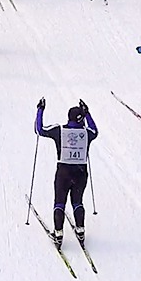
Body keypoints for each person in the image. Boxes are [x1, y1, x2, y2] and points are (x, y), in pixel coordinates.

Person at [34, 99, 98, 246]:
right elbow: (95, 130)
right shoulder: (87, 132)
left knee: (59, 202)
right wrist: (87, 113)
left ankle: (58, 234)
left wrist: (40, 110)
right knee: (77, 201)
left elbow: (39, 130)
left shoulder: (59, 130)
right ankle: (80, 230)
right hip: (81, 173)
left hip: (63, 173)